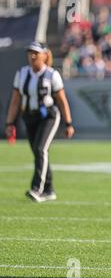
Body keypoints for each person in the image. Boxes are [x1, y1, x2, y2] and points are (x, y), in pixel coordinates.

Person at [4, 41, 75, 202]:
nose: (32, 56)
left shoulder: (52, 74)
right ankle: (49, 189)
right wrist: (9, 123)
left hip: (48, 116)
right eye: (30, 52)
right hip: (29, 116)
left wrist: (68, 123)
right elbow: (15, 100)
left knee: (40, 149)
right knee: (38, 152)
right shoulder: (22, 73)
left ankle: (38, 189)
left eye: (36, 52)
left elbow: (62, 100)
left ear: (45, 55)